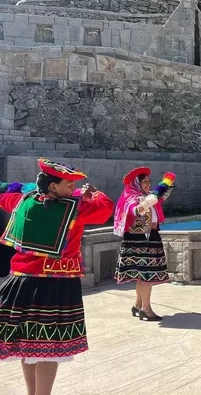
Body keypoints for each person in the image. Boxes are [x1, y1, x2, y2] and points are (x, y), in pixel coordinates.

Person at [0, 158, 113, 395]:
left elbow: (4, 195)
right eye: (69, 184)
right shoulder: (75, 208)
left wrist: (22, 188)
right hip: (55, 285)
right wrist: (95, 194)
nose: (73, 189)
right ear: (53, 186)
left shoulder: (22, 201)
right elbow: (104, 210)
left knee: (28, 346)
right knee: (49, 349)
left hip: (21, 281)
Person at [114, 167, 175, 321]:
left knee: (142, 275)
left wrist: (167, 182)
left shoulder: (147, 195)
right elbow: (134, 211)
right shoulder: (132, 196)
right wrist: (145, 205)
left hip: (150, 236)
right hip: (139, 238)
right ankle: (146, 310)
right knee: (146, 275)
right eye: (144, 181)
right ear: (137, 183)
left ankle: (138, 304)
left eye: (149, 181)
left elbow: (160, 195)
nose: (148, 184)